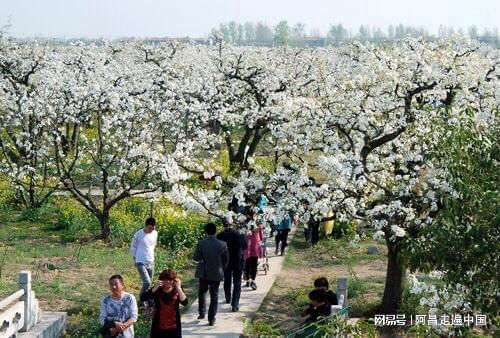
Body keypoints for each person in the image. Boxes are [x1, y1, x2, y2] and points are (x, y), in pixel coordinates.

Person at [193, 222, 229, 326]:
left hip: (204, 272)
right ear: (215, 231)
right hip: (216, 272)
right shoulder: (223, 244)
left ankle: (202, 312)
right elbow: (226, 260)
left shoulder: (201, 243)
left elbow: (196, 258)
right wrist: (222, 269)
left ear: (206, 232)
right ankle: (211, 318)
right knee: (214, 296)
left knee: (202, 292)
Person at [142, 269, 188, 338]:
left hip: (174, 327)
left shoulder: (177, 289)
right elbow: (143, 298)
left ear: (174, 280)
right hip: (158, 327)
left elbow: (185, 302)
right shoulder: (158, 289)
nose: (168, 282)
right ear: (161, 280)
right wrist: (155, 288)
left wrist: (178, 287)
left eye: (170, 280)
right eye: (165, 280)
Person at [217, 221, 247, 312]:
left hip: (226, 261)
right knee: (237, 283)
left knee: (227, 279)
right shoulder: (239, 234)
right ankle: (235, 304)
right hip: (238, 260)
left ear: (224, 225)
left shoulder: (220, 235)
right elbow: (245, 246)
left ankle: (228, 297)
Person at [130, 217, 158, 303]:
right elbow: (133, 247)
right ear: (145, 226)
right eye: (149, 228)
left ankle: (148, 299)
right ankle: (141, 299)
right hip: (140, 261)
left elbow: (153, 245)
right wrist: (135, 259)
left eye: (153, 228)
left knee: (150, 284)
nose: (151, 230)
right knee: (147, 282)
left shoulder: (155, 233)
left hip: (151, 261)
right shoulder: (138, 234)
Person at [244, 222, 263, 290]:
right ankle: (252, 281)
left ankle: (250, 281)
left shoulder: (246, 227)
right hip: (253, 249)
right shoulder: (257, 228)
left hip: (249, 249)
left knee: (248, 265)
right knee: (252, 265)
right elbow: (261, 237)